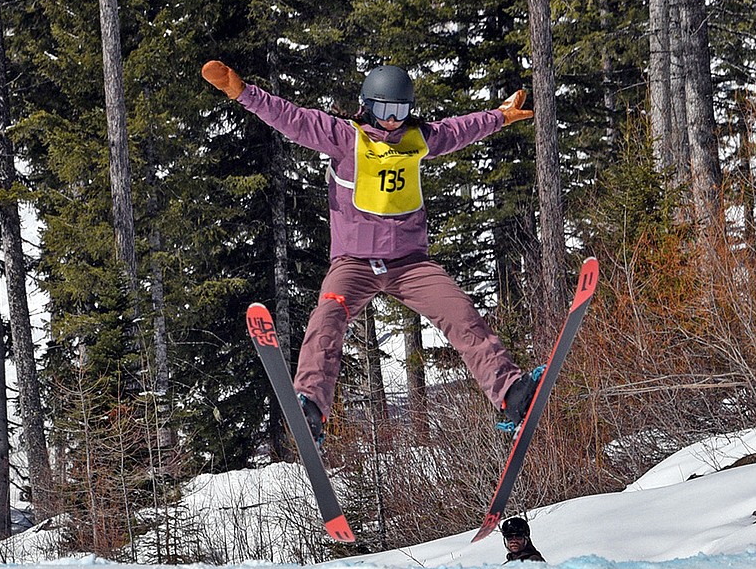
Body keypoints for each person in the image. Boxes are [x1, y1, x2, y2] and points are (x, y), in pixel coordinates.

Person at [201, 59, 543, 445]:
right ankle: (310, 406)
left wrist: (499, 116)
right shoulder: (344, 137)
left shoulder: (420, 139)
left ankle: (511, 393)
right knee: (327, 318)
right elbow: (292, 119)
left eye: (400, 110)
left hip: (411, 263)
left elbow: (460, 129)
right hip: (354, 263)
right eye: (384, 110)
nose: (393, 120)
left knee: (461, 314)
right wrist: (244, 93)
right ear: (367, 106)